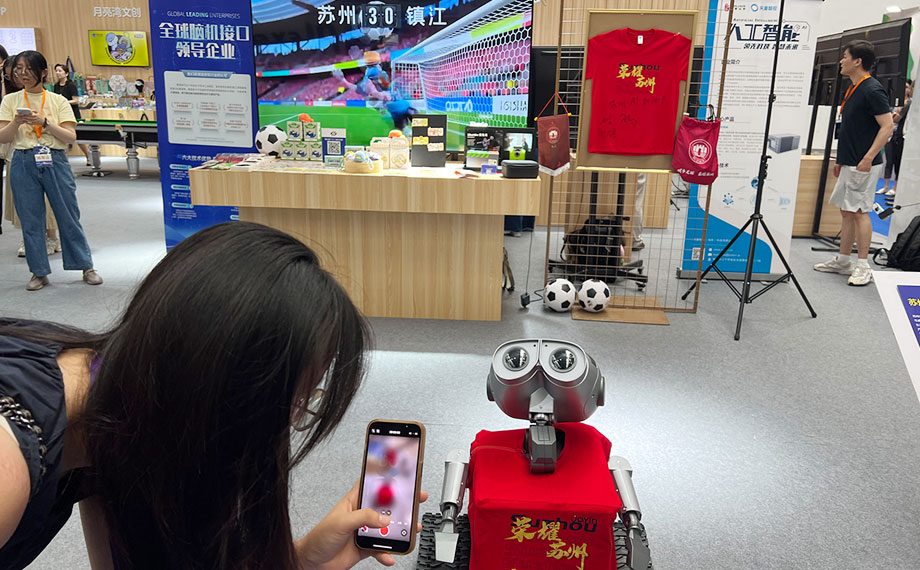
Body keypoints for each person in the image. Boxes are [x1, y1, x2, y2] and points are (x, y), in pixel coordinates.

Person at [0, 221, 425, 570]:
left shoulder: (114, 410)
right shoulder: (11, 458)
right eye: (297, 403)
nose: (293, 423)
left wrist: (304, 560)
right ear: (226, 396)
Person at [0, 50, 101, 290]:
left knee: (68, 215)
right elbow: (3, 137)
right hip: (22, 161)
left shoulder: (58, 101)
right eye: (18, 69)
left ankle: (86, 266)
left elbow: (70, 136)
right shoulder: (10, 101)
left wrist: (45, 123)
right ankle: (39, 272)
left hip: (54, 159)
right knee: (30, 220)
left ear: (43, 72)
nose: (23, 74)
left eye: (28, 69)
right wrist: (16, 122)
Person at [813, 40, 893, 287]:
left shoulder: (873, 90)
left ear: (857, 61)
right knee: (846, 211)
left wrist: (868, 157)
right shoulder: (854, 88)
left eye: (845, 57)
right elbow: (850, 128)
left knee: (859, 211)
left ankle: (863, 266)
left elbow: (887, 126)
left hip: (863, 164)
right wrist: (841, 159)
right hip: (850, 161)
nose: (841, 61)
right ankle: (844, 260)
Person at [52, 63, 91, 166]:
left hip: (73, 114)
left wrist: (64, 102)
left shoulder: (71, 85)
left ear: (66, 73)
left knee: (78, 138)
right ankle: (64, 160)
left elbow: (76, 100)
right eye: (56, 71)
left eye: (60, 71)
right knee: (63, 138)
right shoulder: (56, 86)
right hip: (60, 114)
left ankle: (88, 156)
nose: (57, 73)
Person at [879, 78, 912, 196]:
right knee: (888, 161)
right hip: (890, 133)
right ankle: (885, 186)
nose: (905, 90)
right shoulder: (894, 101)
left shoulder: (909, 103)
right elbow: (888, 115)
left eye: (907, 87)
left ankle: (895, 187)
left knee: (898, 161)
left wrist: (893, 116)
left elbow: (897, 118)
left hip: (900, 135)